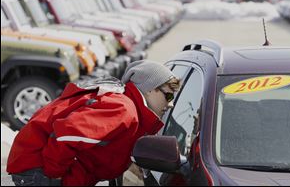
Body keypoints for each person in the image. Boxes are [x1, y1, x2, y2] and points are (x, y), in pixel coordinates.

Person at [7, 60, 181, 186]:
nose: (171, 103)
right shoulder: (123, 109)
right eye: (168, 95)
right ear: (150, 88)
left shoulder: (130, 109)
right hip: (39, 171)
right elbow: (67, 133)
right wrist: (54, 176)